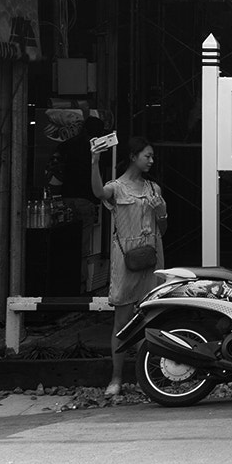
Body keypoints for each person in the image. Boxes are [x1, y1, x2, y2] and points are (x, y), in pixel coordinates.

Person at [91, 135, 167, 397]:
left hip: (152, 257)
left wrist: (162, 211)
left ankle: (148, 377)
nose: (151, 161)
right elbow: (98, 193)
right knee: (122, 322)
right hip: (126, 260)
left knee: (152, 317)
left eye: (152, 156)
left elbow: (163, 229)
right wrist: (94, 161)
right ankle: (116, 377)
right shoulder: (117, 187)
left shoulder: (154, 190)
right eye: (147, 156)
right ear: (133, 157)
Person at [51, 114, 109, 287]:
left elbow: (54, 170)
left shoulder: (66, 146)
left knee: (64, 242)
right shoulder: (97, 150)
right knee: (82, 247)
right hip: (86, 199)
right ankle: (80, 283)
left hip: (66, 198)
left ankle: (62, 282)